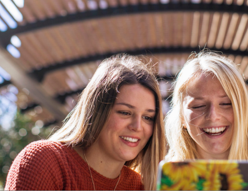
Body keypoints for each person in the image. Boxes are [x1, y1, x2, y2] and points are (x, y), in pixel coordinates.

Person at [6, 55, 166, 190]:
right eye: (125, 112)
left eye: (148, 117)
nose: (137, 127)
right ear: (97, 111)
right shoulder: (45, 161)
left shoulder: (141, 187)